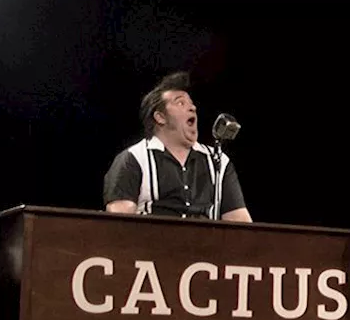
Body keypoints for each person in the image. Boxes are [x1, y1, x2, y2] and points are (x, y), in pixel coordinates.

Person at [103, 71, 252, 221]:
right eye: (181, 103)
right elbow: (119, 224)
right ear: (160, 117)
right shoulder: (134, 159)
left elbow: (240, 224)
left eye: (192, 103)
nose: (192, 108)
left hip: (206, 243)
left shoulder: (218, 161)